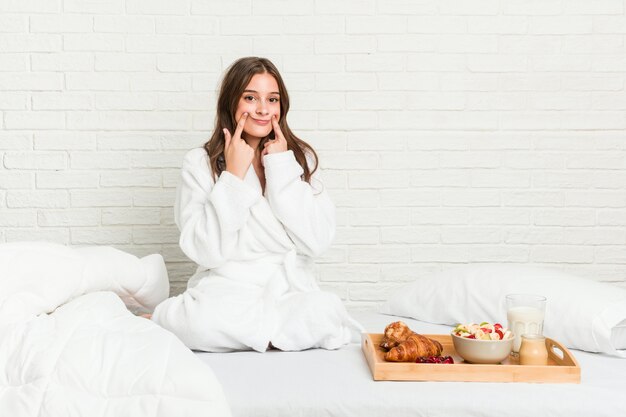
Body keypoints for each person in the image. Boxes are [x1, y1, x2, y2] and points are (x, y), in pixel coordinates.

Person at [151, 57, 362, 352]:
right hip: (227, 291)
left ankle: (256, 331)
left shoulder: (298, 159)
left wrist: (281, 167)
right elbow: (206, 252)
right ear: (231, 102)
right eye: (251, 97)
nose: (263, 109)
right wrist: (233, 178)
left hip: (287, 291)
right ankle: (278, 333)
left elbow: (317, 241)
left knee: (325, 308)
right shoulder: (200, 163)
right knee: (202, 321)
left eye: (272, 99)